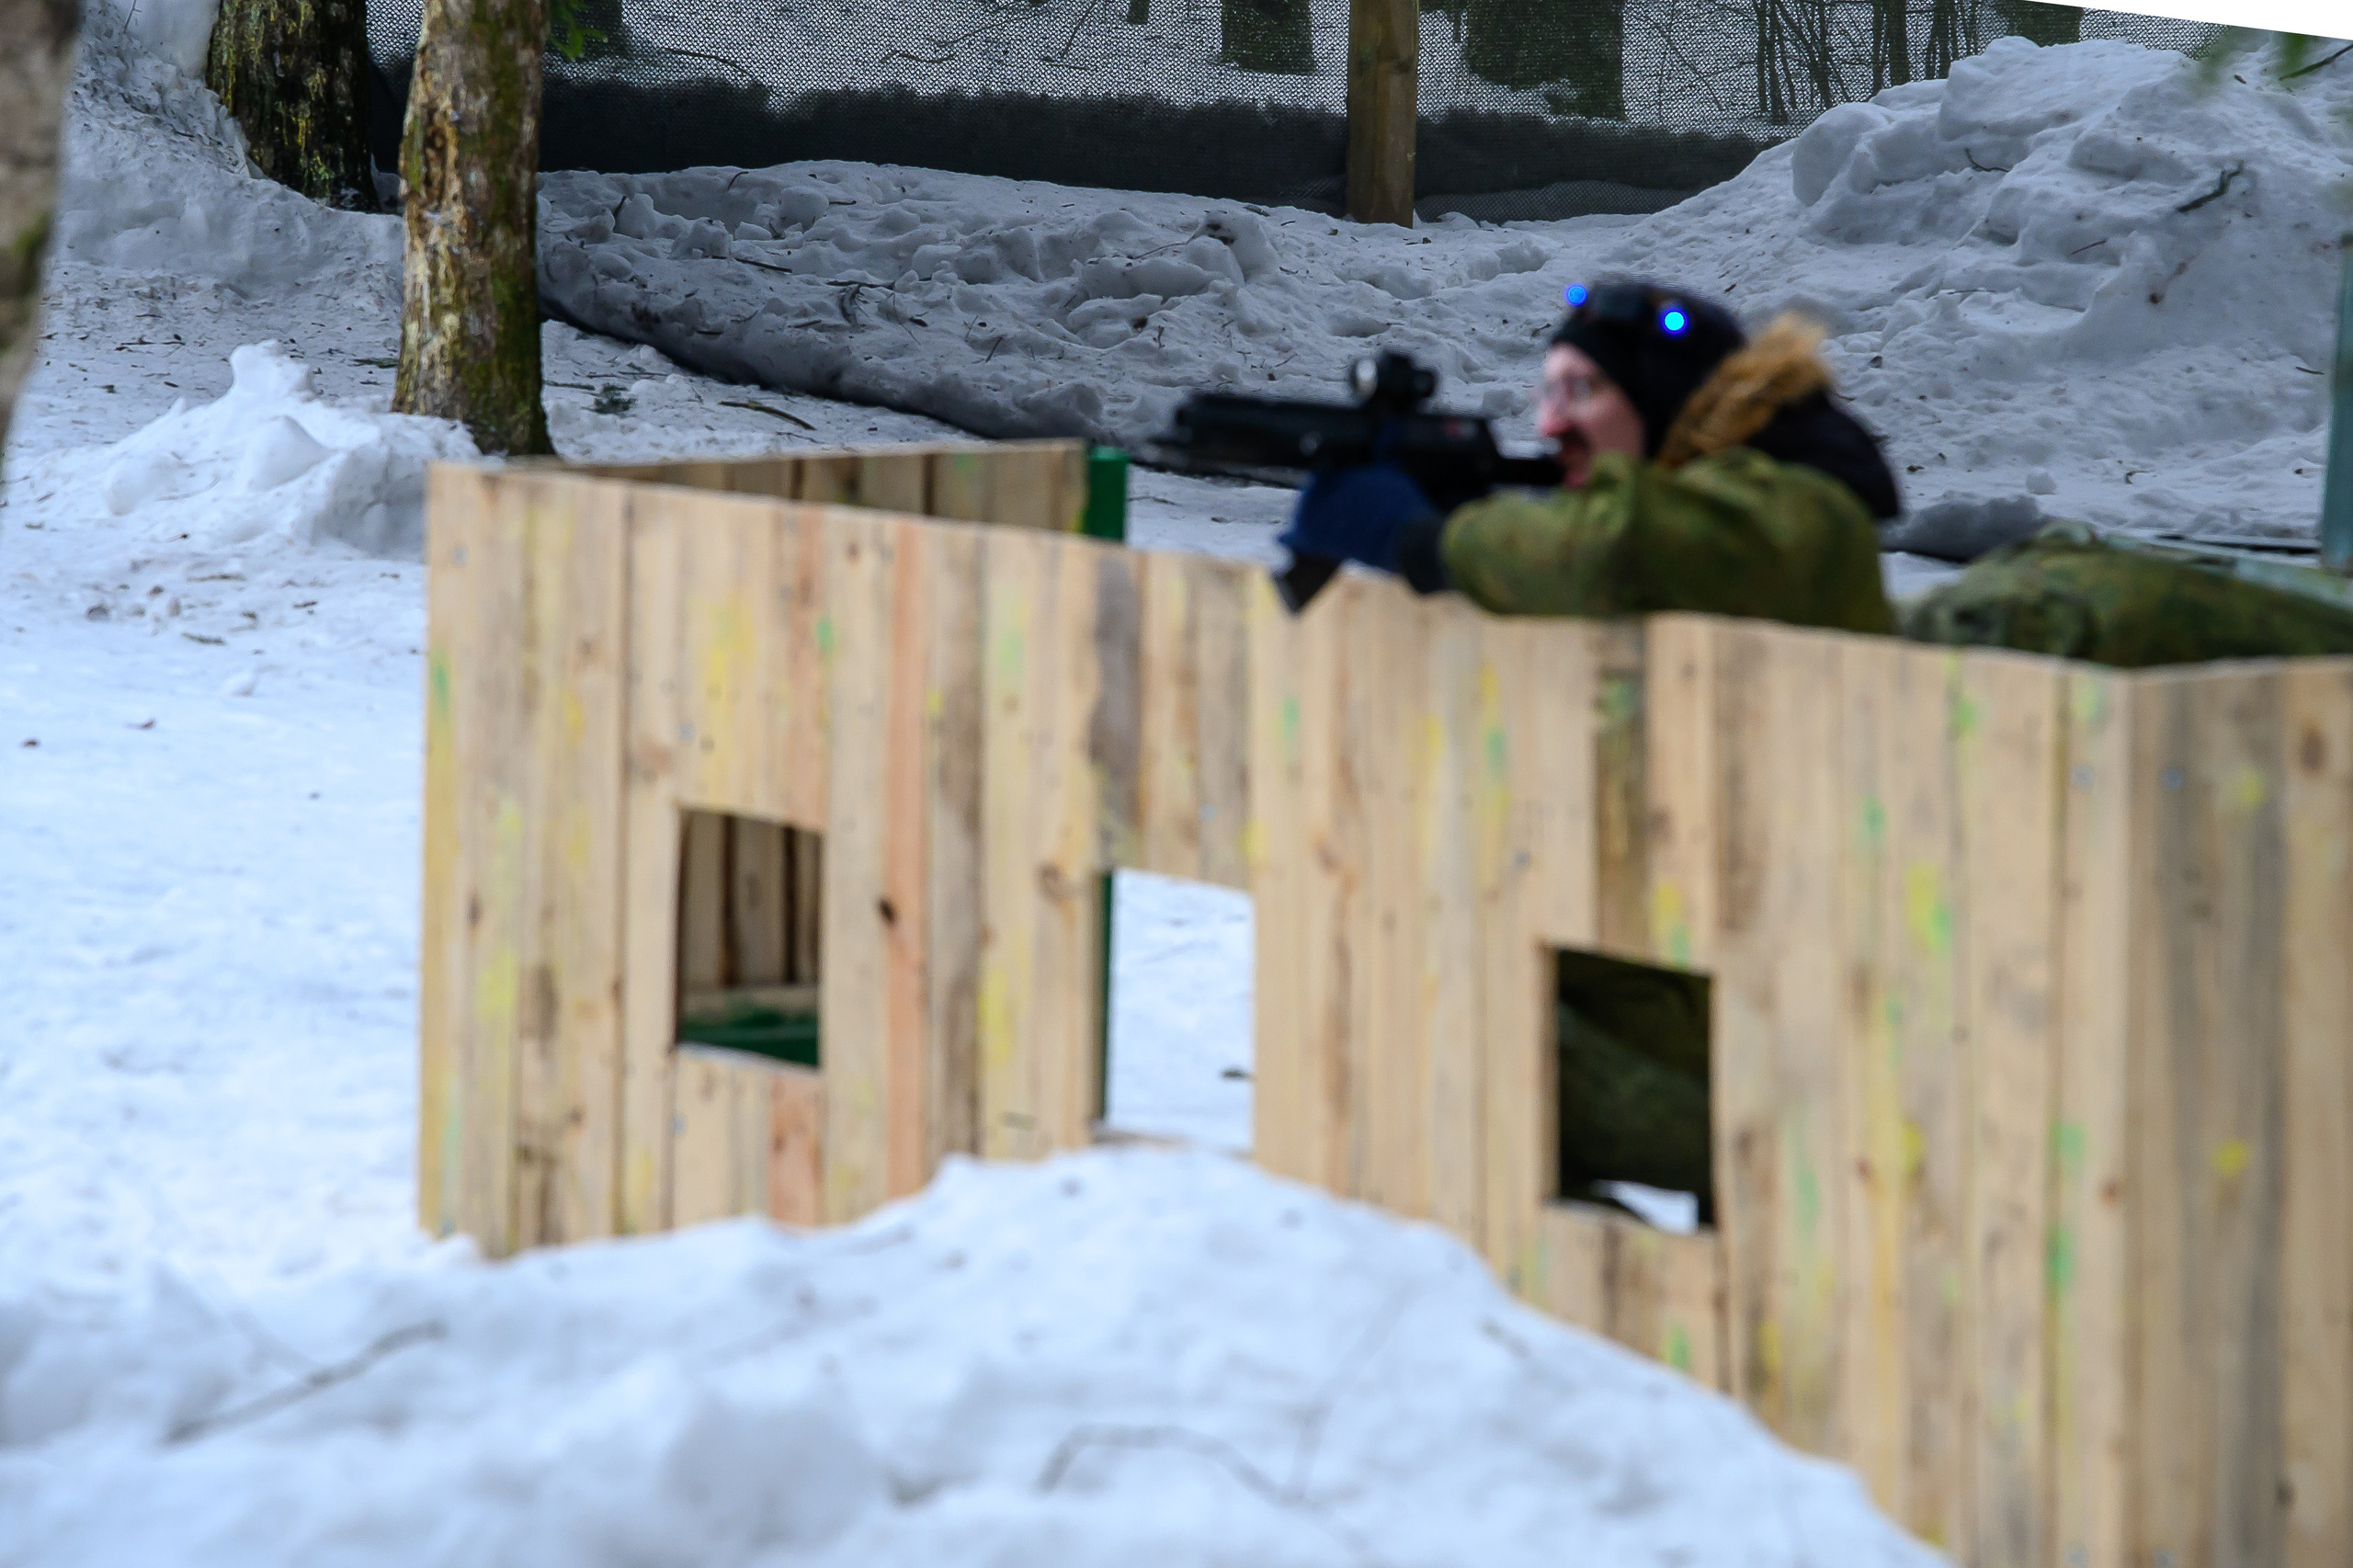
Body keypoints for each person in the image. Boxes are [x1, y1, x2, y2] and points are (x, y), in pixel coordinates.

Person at [1277, 279, 1903, 636]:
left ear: (1664, 403)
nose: (1551, 423)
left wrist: (1433, 542)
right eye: (1548, 392)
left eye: (1582, 391)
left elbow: (1618, 551)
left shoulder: (1795, 502)